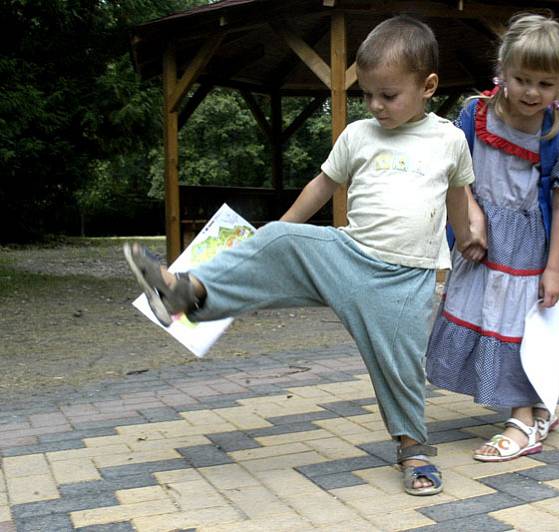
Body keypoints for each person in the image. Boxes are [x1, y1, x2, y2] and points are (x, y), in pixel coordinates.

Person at [123, 15, 486, 496]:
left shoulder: (450, 140)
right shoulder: (358, 135)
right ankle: (184, 293)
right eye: (368, 93)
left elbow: (458, 197)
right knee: (280, 237)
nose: (376, 105)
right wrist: (276, 237)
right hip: (348, 255)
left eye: (389, 95)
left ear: (428, 87)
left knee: (399, 369)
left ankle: (413, 448)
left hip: (405, 281)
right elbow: (323, 185)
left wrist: (466, 238)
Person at [425, 14, 559, 462]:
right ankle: (535, 407)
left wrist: (554, 269)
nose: (533, 93)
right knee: (482, 315)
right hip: (478, 245)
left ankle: (524, 419)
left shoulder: (558, 137)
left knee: (517, 329)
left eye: (546, 83)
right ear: (502, 69)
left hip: (525, 252)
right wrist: (469, 218)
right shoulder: (474, 115)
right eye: (522, 79)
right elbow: (458, 176)